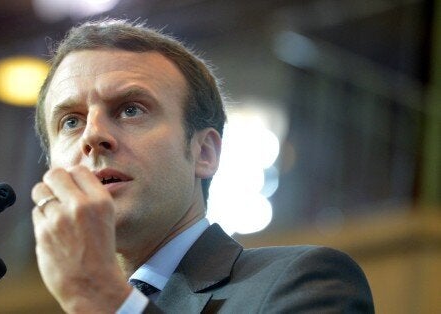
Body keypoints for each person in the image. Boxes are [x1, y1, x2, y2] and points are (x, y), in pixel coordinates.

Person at [30, 19, 374, 313]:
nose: (93, 135)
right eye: (71, 122)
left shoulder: (304, 280)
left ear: (204, 152)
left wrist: (107, 301)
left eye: (131, 109)